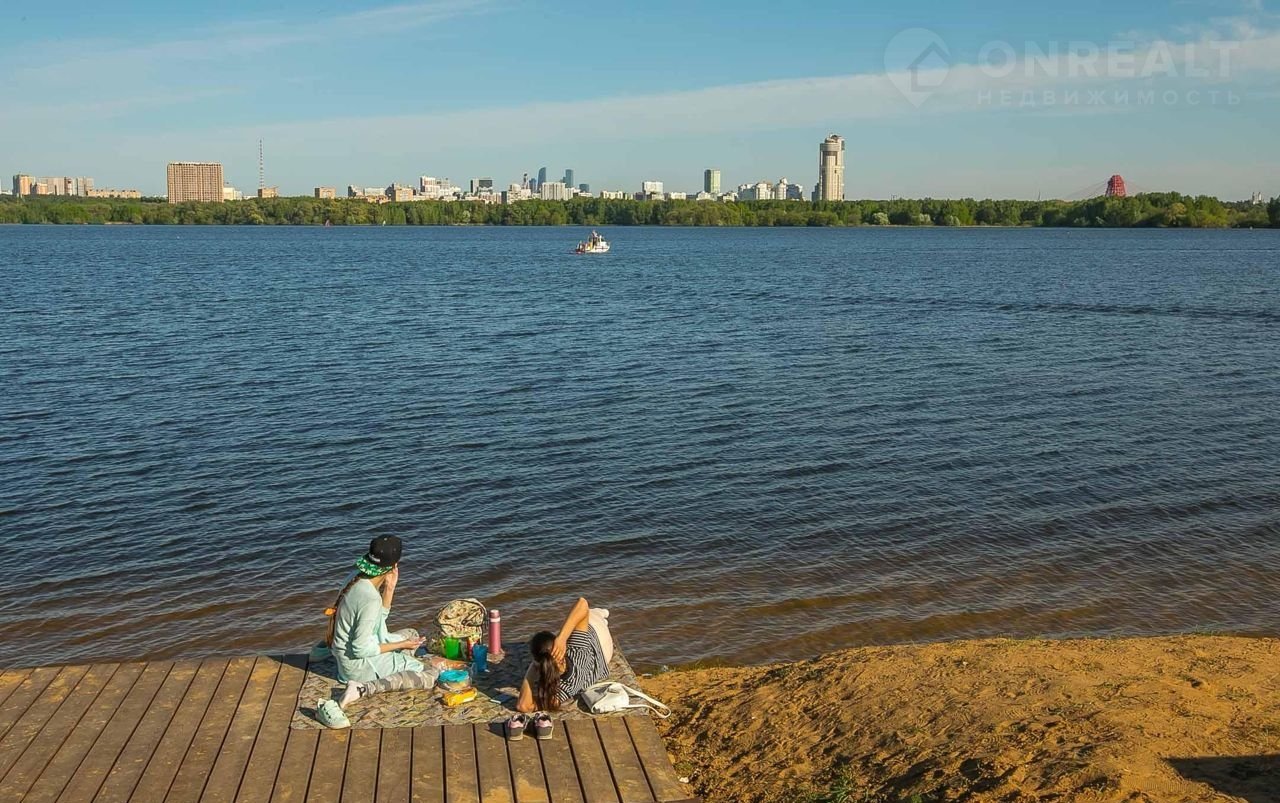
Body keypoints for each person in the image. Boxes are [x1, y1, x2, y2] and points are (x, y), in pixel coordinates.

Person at [326, 535, 459, 710]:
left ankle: (400, 662)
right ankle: (362, 688)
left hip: (347, 655)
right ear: (394, 565)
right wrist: (401, 644)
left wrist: (389, 588)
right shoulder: (370, 598)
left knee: (412, 633)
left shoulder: (356, 578)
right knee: (430, 674)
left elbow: (375, 621)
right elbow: (361, 649)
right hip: (358, 667)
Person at [517, 597, 614, 713]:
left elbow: (523, 706)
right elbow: (582, 603)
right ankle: (602, 613)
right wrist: (562, 638)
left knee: (592, 617)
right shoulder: (577, 650)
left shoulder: (564, 687)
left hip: (604, 651)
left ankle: (602, 614)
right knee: (590, 615)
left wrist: (532, 670)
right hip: (597, 634)